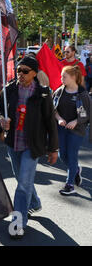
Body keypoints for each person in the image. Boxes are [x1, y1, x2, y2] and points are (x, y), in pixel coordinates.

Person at [0, 55, 58, 239]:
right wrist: (1, 120)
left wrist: (53, 148)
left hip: (32, 145)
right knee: (21, 178)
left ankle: (18, 223)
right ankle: (35, 202)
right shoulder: (9, 89)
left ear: (34, 73)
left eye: (25, 71)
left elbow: (50, 122)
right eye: (18, 70)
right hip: (13, 143)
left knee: (23, 184)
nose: (20, 74)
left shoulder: (43, 93)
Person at [52, 65, 91, 195]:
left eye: (64, 76)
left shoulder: (82, 94)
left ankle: (69, 184)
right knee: (63, 155)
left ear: (73, 77)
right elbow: (53, 109)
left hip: (77, 130)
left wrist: (76, 121)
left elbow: (86, 114)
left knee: (72, 155)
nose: (61, 78)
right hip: (62, 128)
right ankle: (75, 170)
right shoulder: (59, 91)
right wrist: (59, 119)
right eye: (61, 76)